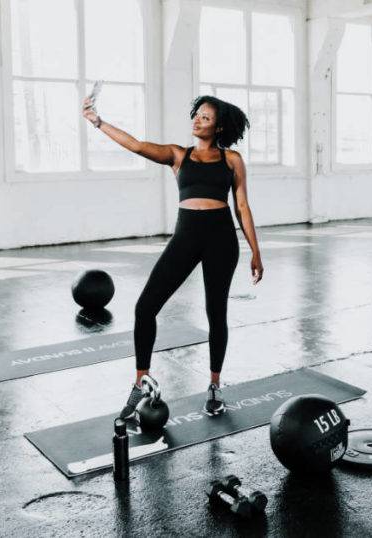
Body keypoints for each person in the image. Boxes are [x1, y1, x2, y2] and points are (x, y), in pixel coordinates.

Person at [81, 93, 264, 420]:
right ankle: (140, 382)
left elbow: (243, 207)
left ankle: (214, 385)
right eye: (196, 115)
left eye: (205, 117)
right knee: (145, 307)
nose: (197, 120)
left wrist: (255, 251)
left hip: (222, 239)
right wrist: (97, 122)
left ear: (219, 126)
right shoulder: (179, 155)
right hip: (187, 236)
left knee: (215, 312)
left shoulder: (232, 160)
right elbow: (136, 145)